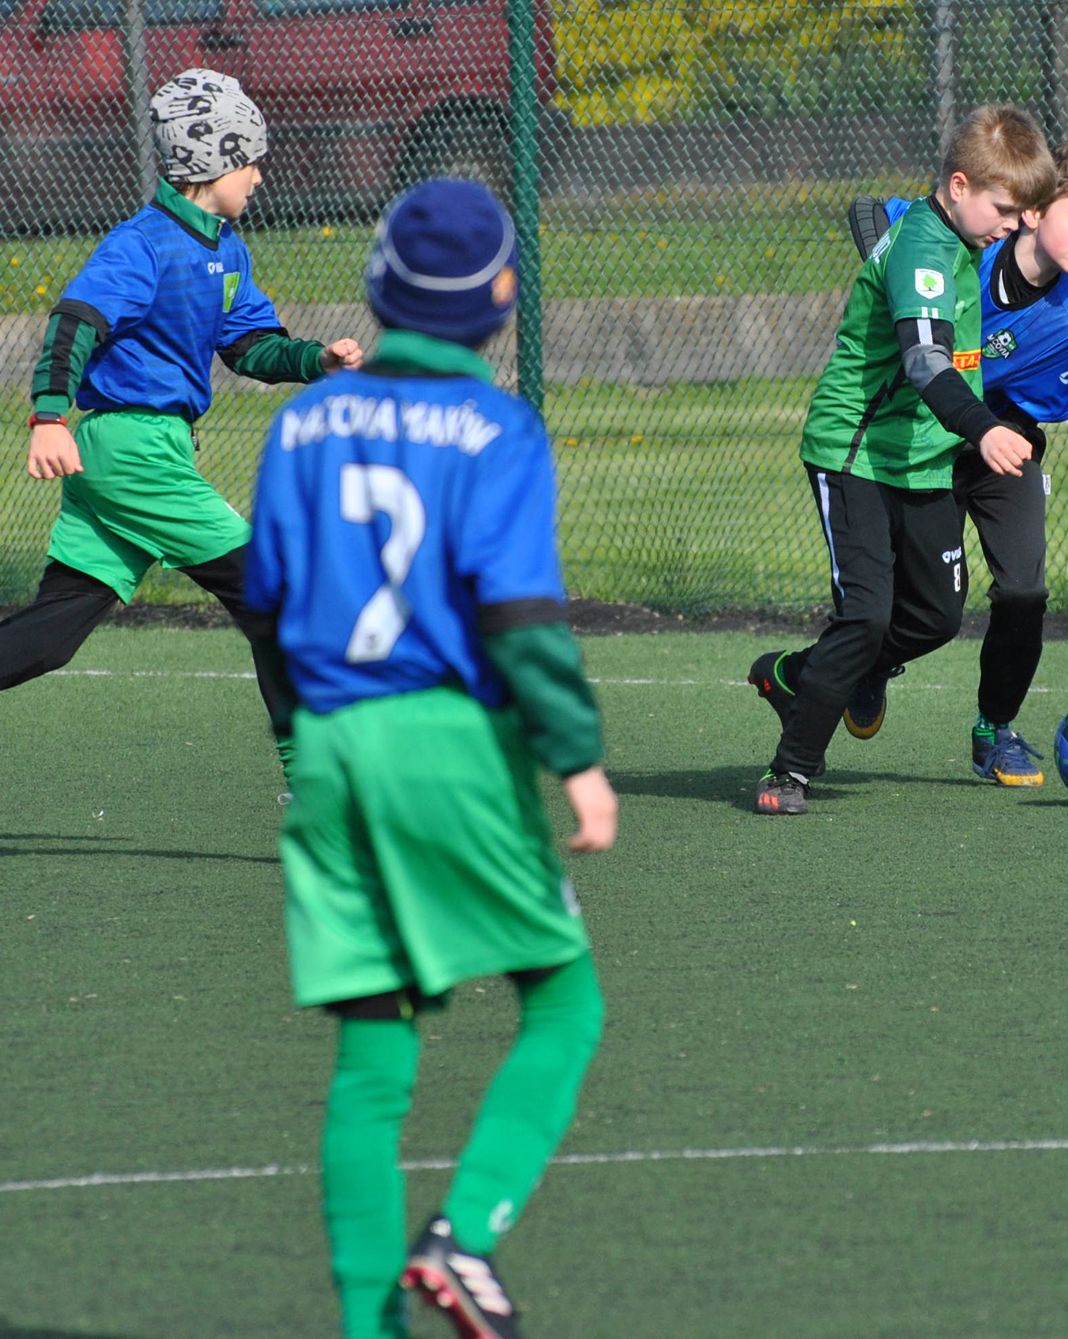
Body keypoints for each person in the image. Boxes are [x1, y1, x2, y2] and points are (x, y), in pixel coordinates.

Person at [0, 69, 362, 844]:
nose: (260, 174)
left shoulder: (226, 248)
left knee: (50, 636)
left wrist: (315, 362)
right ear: (210, 160)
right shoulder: (141, 244)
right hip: (130, 450)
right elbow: (75, 323)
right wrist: (47, 417)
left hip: (138, 457)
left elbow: (248, 343)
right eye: (250, 159)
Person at [243, 178, 616, 1339]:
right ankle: (461, 1238)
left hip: (332, 749)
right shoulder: (498, 429)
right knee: (562, 1003)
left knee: (371, 1058)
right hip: (449, 743)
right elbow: (518, 612)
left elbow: (265, 592)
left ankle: (368, 1329)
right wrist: (578, 758)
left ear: (377, 286)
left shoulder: (301, 420)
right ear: (501, 301)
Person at [760, 143, 1068, 786]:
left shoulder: (1067, 322)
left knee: (1024, 590)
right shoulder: (966, 242)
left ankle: (995, 730)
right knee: (900, 610)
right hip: (919, 431)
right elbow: (876, 214)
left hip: (996, 441)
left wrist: (990, 434)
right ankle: (849, 668)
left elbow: (1026, 409)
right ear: (1033, 212)